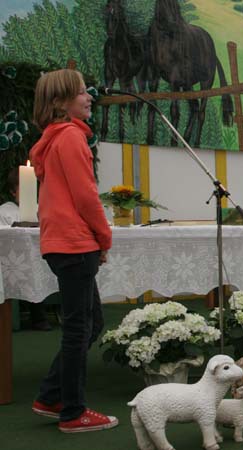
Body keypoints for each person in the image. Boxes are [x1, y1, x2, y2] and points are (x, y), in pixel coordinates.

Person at [28, 69, 118, 432]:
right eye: (81, 92)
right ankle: (73, 412)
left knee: (91, 322)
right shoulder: (70, 138)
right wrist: (104, 237)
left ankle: (51, 396)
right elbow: (86, 196)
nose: (89, 96)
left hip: (63, 242)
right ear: (60, 102)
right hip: (75, 243)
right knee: (79, 328)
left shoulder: (55, 138)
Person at [0, 168, 53, 331]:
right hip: (13, 258)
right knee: (29, 268)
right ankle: (36, 317)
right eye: (22, 189)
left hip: (42, 254)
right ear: (13, 191)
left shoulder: (42, 208)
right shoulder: (5, 211)